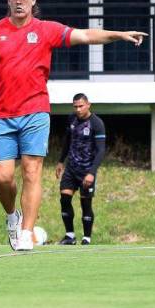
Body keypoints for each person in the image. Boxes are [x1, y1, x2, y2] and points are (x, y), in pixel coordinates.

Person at [0, 0, 146, 251]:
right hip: (1, 115)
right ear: (8, 1)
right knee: (3, 178)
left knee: (32, 172)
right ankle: (12, 216)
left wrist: (119, 34)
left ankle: (26, 232)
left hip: (35, 113)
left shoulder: (46, 30)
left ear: (33, 1)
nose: (19, 1)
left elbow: (85, 35)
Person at [55, 93, 106, 246]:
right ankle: (70, 236)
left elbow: (101, 151)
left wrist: (92, 172)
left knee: (86, 205)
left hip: (87, 170)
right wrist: (60, 161)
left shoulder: (96, 123)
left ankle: (86, 238)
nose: (78, 109)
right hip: (71, 168)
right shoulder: (72, 119)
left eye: (81, 106)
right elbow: (67, 141)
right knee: (64, 199)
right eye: (75, 106)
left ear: (88, 105)